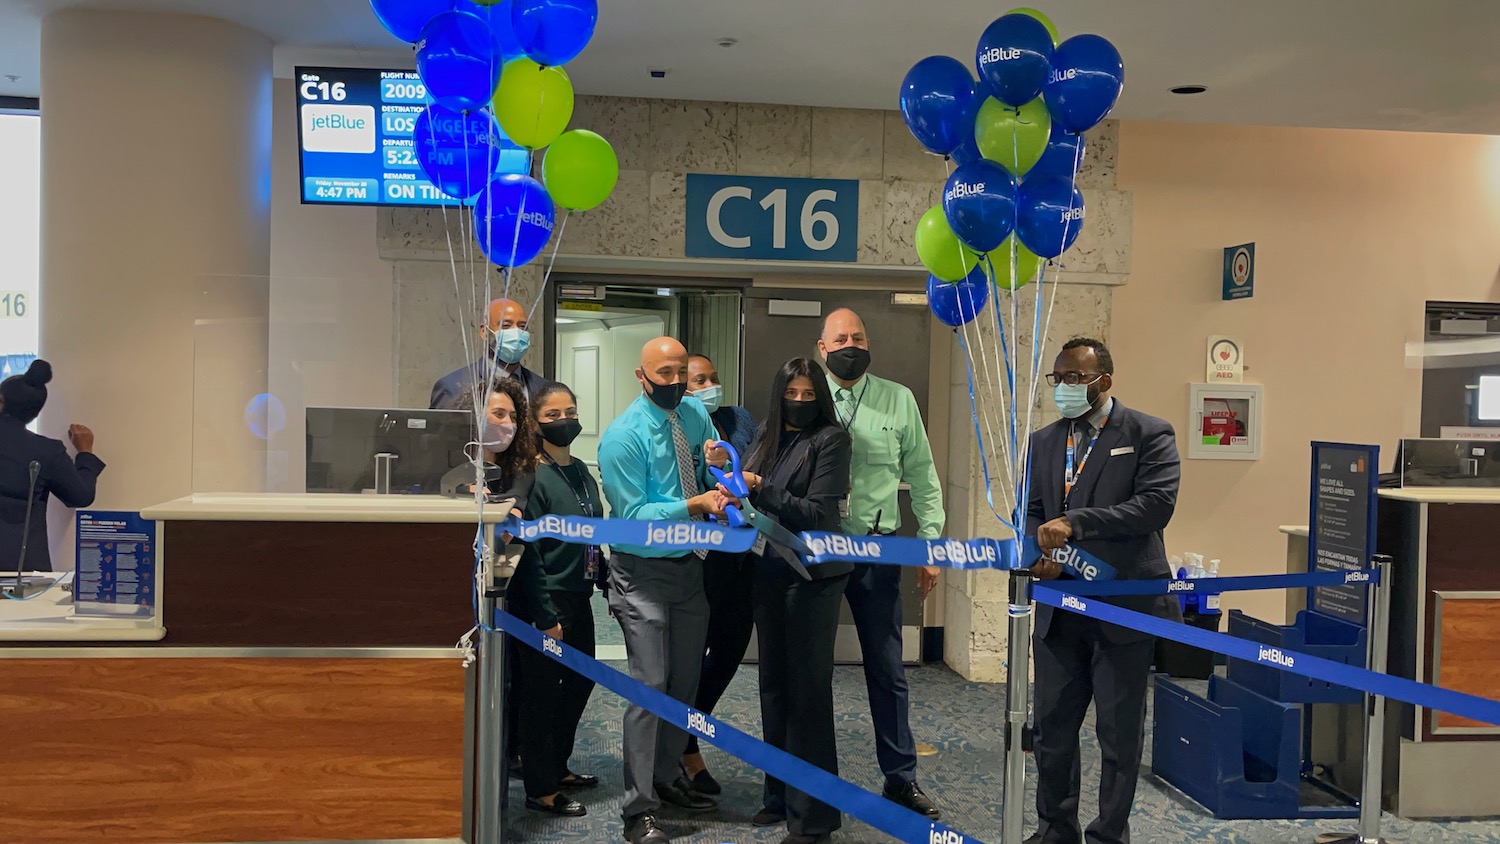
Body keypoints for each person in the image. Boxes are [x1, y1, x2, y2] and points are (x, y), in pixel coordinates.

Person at [1024, 337, 1181, 844]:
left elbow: (1155, 505)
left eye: (1076, 378)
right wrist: (1039, 553)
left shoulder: (1148, 434)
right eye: (1059, 378)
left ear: (1104, 382)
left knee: (1118, 735)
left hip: (1123, 606)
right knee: (1052, 730)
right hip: (1058, 609)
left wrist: (1076, 524)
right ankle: (1056, 831)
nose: (1065, 387)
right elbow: (1031, 511)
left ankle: (1108, 835)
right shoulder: (1045, 441)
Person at [597, 337, 735, 844]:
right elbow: (633, 518)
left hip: (690, 568)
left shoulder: (694, 415)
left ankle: (666, 775)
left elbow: (703, 466)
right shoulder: (622, 438)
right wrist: (695, 504)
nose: (676, 383)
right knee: (648, 686)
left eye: (682, 373)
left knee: (683, 684)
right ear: (642, 376)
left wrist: (718, 471)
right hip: (642, 573)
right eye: (665, 375)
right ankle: (639, 810)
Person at [816, 307, 944, 819]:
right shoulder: (806, 396)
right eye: (840, 337)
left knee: (888, 669)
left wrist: (930, 545)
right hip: (820, 552)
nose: (851, 344)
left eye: (858, 336)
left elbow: (925, 476)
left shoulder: (898, 398)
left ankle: (901, 777)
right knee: (811, 670)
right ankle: (810, 779)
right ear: (821, 347)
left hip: (878, 552)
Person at [734, 357, 851, 844]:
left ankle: (815, 819)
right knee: (773, 688)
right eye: (792, 394)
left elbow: (817, 514)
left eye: (808, 395)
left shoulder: (833, 439)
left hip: (813, 577)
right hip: (768, 571)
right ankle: (777, 796)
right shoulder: (766, 432)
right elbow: (747, 495)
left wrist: (764, 489)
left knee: (808, 695)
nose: (799, 403)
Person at [512, 382, 603, 817]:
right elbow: (528, 552)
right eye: (552, 415)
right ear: (534, 423)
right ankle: (540, 786)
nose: (564, 420)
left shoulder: (582, 471)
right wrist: (545, 613)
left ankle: (557, 765)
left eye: (570, 411)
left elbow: (592, 530)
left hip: (579, 596)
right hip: (544, 601)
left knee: (581, 681)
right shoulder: (531, 474)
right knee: (543, 695)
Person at [679, 353, 758, 794]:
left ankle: (691, 725)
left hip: (741, 554)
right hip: (699, 556)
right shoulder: (680, 424)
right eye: (698, 381)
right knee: (690, 655)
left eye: (713, 377)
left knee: (730, 649)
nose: (709, 386)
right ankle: (683, 747)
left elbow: (756, 460)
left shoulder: (738, 417)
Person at [0, 360, 105, 573]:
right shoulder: (46, 451)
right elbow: (80, 496)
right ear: (35, 413)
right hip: (22, 570)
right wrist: (85, 453)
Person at [430, 297, 548, 411]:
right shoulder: (453, 387)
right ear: (485, 332)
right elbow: (441, 430)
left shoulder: (543, 388)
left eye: (522, 327)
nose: (516, 333)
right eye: (506, 326)